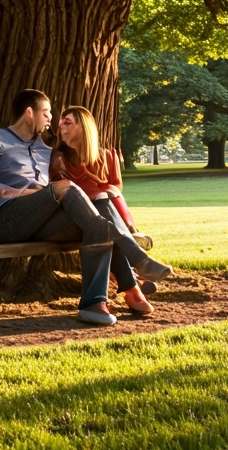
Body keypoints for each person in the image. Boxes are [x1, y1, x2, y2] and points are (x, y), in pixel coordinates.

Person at [0, 89, 172, 326]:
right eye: (46, 112)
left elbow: (80, 163)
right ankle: (137, 261)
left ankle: (94, 304)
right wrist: (12, 191)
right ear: (30, 113)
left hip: (40, 223)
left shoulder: (45, 150)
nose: (50, 119)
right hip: (7, 220)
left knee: (99, 212)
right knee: (66, 187)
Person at [51, 106, 154, 315]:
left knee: (103, 211)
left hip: (103, 217)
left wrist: (99, 192)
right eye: (61, 122)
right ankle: (133, 280)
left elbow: (115, 187)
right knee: (100, 209)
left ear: (84, 127)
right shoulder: (58, 159)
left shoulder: (106, 156)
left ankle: (131, 284)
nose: (61, 126)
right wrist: (98, 192)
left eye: (68, 122)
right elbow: (65, 194)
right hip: (71, 219)